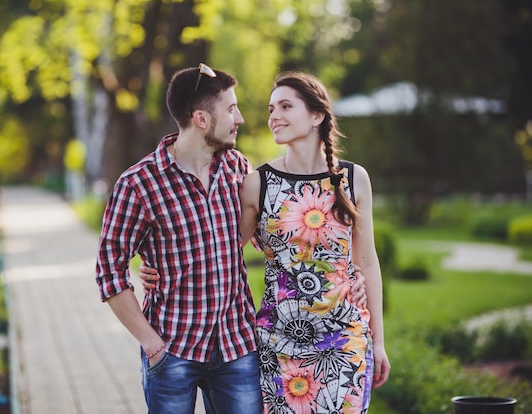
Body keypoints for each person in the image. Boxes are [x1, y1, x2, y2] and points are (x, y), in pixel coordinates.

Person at [95, 63, 263, 414]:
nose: (240, 119)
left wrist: (341, 275)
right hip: (173, 350)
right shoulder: (139, 184)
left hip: (237, 346)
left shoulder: (238, 168)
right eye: (231, 109)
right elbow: (109, 272)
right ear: (201, 119)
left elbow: (270, 238)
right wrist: (151, 343)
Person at [239, 71, 390, 413]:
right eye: (271, 108)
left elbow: (367, 261)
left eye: (286, 106)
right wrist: (158, 268)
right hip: (278, 345)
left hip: (345, 341)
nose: (273, 116)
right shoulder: (257, 184)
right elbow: (224, 255)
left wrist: (379, 342)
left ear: (317, 115)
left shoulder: (353, 179)